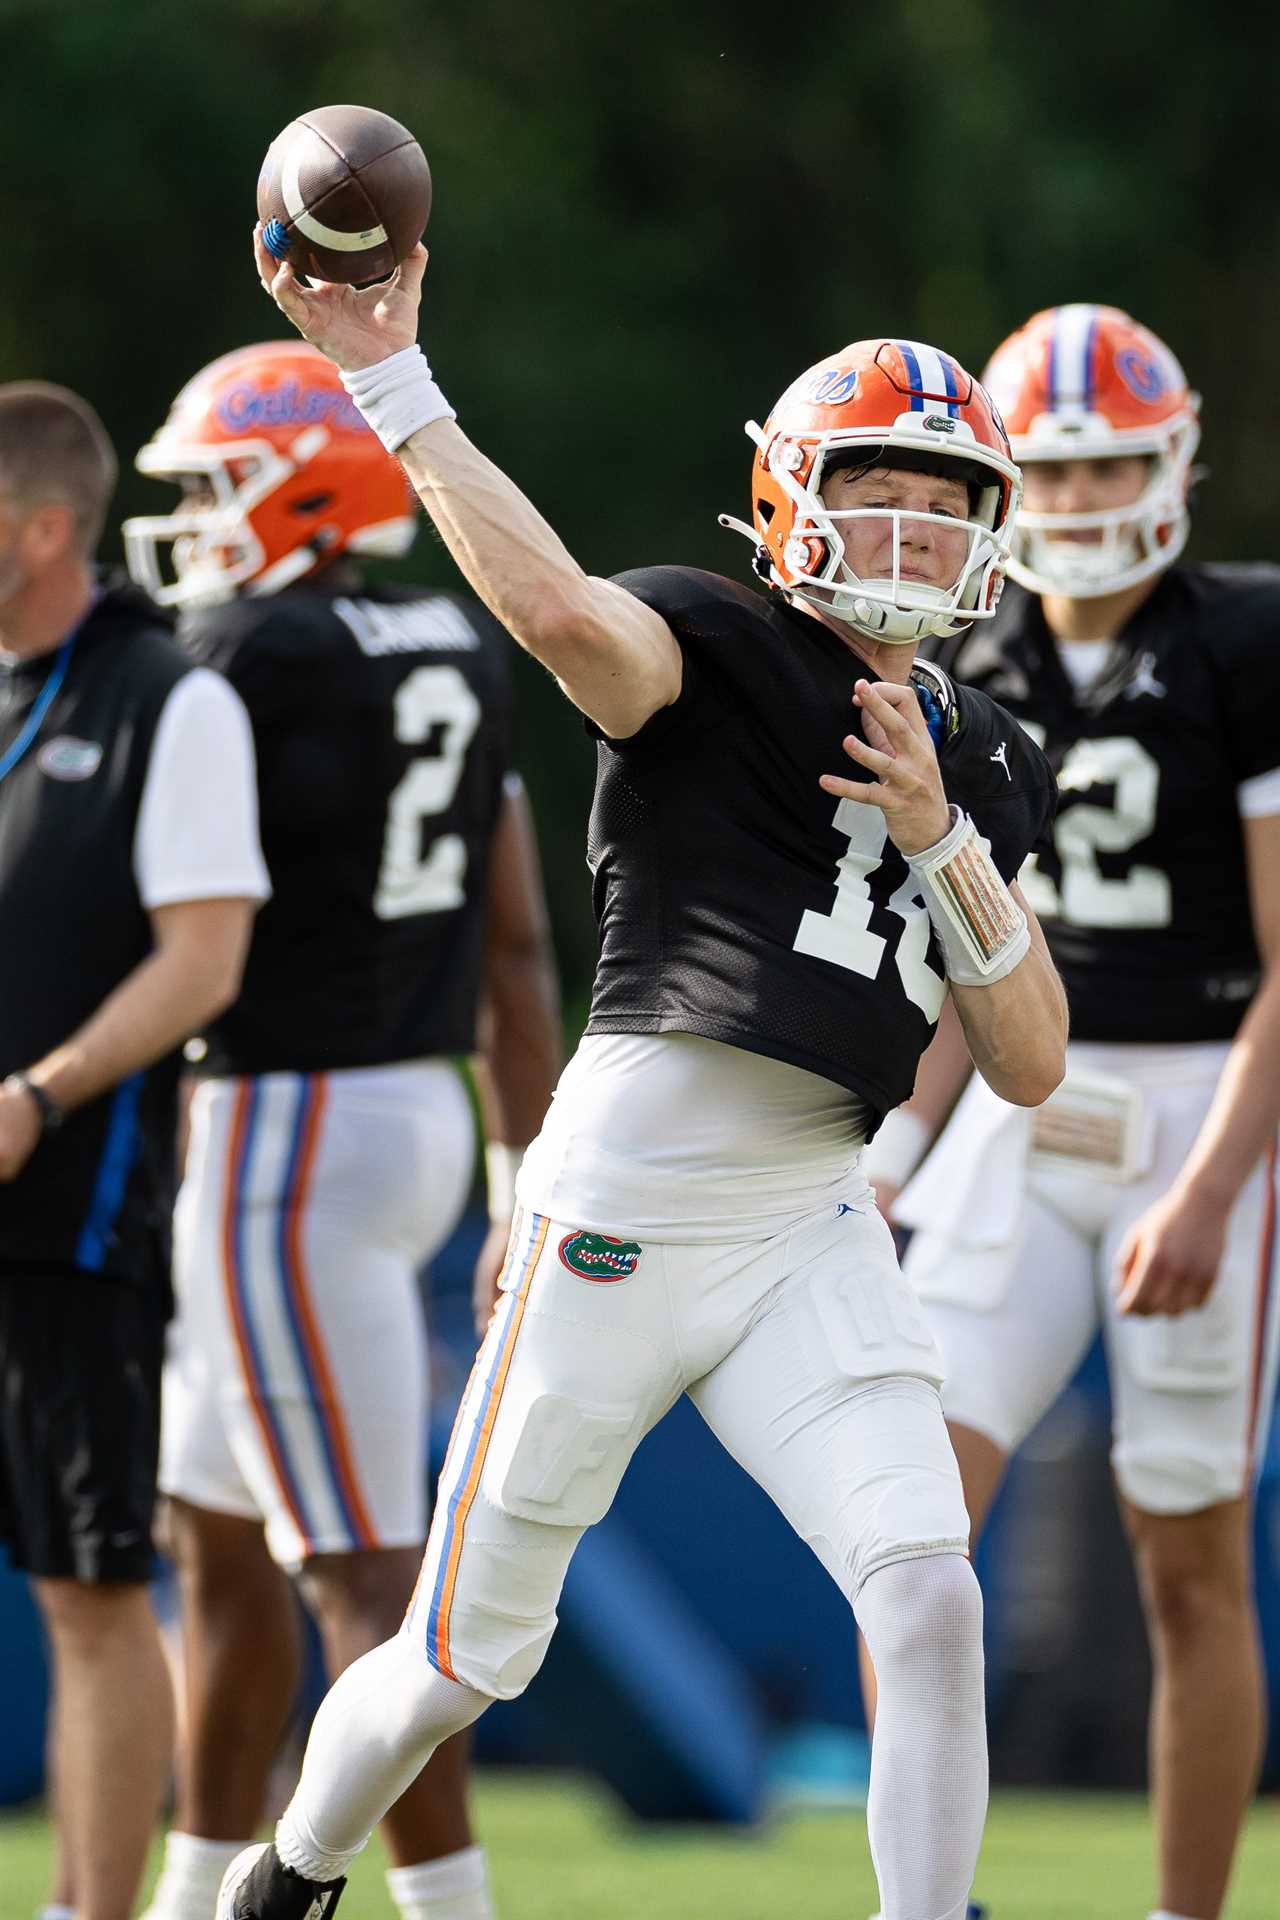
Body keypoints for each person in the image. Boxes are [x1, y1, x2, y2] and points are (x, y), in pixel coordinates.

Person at [217, 236, 1069, 1920]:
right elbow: (548, 611)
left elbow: (1029, 1058)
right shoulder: (712, 634)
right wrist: (392, 378)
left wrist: (942, 837)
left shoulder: (991, 755)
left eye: (942, 499)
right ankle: (292, 1876)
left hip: (810, 1211)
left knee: (928, 1592)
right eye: (874, 490)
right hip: (621, 1196)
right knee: (462, 1656)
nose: (910, 531)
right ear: (788, 498)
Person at [120, 341, 562, 1920]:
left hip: (280, 1132)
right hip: (414, 1112)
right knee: (216, 1538)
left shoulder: (246, 649)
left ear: (308, 475)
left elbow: (153, 914)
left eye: (210, 483)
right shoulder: (456, 630)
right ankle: (182, 1903)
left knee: (361, 1578)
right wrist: (526, 1162)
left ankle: (452, 1908)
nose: (187, 515)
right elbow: (516, 942)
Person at [866, 304, 1280, 1920]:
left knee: (1185, 1565)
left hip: (1202, 1098)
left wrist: (1211, 1191)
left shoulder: (1242, 643)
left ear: (1172, 460)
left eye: (1119, 460)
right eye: (1064, 464)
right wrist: (889, 1149)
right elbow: (964, 953)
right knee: (909, 1527)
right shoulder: (973, 654)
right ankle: (935, 1898)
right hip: (1023, 1097)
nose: (1095, 495)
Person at [0, 381, 270, 1920]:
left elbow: (203, 958)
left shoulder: (173, 696)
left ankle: (94, 1907)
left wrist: (38, 1093)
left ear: (43, 526)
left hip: (76, 1208)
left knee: (91, 1582)